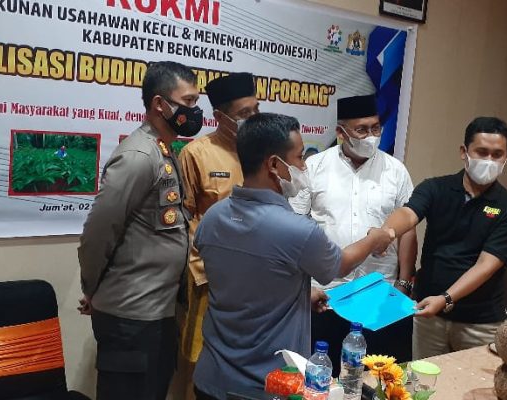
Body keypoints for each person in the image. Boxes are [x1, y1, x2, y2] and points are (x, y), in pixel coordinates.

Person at [192, 113, 395, 400]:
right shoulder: (296, 230)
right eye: (299, 158)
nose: (304, 167)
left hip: (211, 380)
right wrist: (373, 238)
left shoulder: (213, 217)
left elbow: (243, 281)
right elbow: (340, 265)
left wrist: (297, 294)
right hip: (268, 386)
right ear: (274, 165)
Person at [77, 61, 203, 400]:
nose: (195, 111)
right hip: (130, 317)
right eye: (188, 101)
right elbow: (98, 232)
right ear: (160, 104)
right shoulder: (138, 156)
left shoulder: (163, 150)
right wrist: (92, 288)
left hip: (155, 312)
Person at [380, 116, 507, 359]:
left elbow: (486, 265)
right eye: (482, 152)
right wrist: (387, 232)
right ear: (464, 152)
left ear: (506, 157)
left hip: (480, 323)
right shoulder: (436, 188)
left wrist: (446, 298)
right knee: (424, 381)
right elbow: (409, 213)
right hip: (429, 315)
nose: (489, 160)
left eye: (497, 154)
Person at [290, 94, 418, 369]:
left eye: (376, 128)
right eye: (361, 130)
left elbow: (408, 230)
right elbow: (296, 227)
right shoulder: (314, 167)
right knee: (324, 375)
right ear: (341, 132)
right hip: (326, 295)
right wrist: (304, 287)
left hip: (380, 294)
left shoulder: (395, 170)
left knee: (380, 377)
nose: (371, 136)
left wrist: (404, 283)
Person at [177, 72, 259, 397]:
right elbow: (182, 220)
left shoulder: (263, 153)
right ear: (220, 117)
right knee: (199, 361)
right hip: (209, 279)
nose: (253, 118)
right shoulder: (196, 154)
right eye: (244, 113)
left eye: (256, 110)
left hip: (255, 278)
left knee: (243, 361)